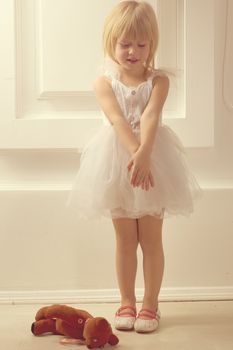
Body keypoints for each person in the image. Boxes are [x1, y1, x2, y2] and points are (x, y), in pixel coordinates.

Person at [66, 0, 203, 334]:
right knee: (125, 239)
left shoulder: (159, 82)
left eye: (141, 44)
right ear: (111, 43)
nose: (133, 51)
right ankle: (126, 300)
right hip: (117, 162)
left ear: (151, 45)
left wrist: (145, 154)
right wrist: (134, 153)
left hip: (153, 159)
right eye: (125, 44)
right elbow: (116, 118)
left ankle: (150, 304)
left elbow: (150, 115)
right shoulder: (104, 83)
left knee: (152, 238)